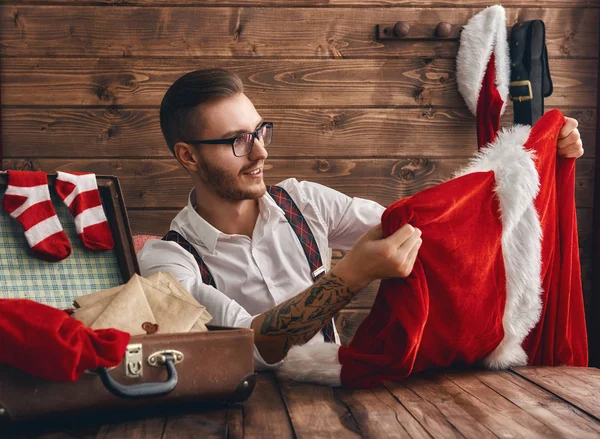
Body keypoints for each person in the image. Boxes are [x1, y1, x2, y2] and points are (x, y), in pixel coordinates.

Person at [138, 69, 584, 369]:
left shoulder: (304, 203)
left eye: (259, 132)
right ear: (187, 156)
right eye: (237, 141)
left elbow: (428, 227)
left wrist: (530, 164)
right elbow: (254, 342)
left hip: (338, 401)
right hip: (237, 419)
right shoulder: (166, 263)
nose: (261, 152)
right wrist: (352, 275)